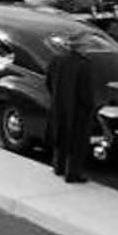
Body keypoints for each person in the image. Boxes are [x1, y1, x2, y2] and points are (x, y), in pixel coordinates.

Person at [44, 33, 96, 184]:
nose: (88, 47)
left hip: (59, 105)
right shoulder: (85, 65)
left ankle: (58, 166)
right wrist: (91, 108)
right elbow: (86, 93)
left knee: (60, 136)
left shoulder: (57, 59)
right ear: (81, 47)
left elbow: (48, 82)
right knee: (77, 143)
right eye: (86, 44)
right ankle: (73, 174)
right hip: (77, 110)